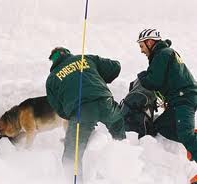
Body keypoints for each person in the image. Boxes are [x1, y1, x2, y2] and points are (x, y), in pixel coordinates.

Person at [46, 47, 126, 181]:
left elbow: (58, 108)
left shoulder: (52, 79)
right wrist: (97, 76)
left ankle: (75, 181)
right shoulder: (85, 59)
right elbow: (115, 67)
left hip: (81, 111)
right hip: (105, 102)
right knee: (117, 123)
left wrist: (72, 116)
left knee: (71, 154)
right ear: (67, 53)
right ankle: (124, 164)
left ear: (52, 61)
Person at [136, 29, 197, 183]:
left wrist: (141, 76)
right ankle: (192, 137)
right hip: (177, 100)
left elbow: (153, 81)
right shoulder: (164, 54)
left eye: (142, 46)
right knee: (161, 126)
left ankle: (191, 138)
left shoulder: (162, 54)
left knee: (185, 134)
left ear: (150, 42)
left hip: (184, 99)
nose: (141, 50)